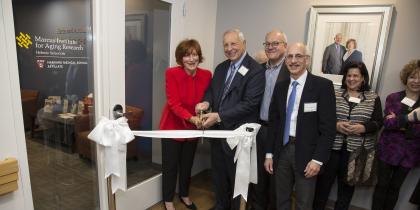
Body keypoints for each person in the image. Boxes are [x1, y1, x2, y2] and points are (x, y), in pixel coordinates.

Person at [195, 29, 265, 210]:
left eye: (233, 44)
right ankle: (220, 206)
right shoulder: (221, 68)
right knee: (218, 176)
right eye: (226, 44)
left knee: (237, 180)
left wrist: (219, 116)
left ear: (244, 44)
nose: (229, 48)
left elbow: (250, 104)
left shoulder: (255, 71)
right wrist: (205, 102)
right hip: (218, 134)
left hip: (238, 136)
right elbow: (212, 91)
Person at [264, 42, 336, 210]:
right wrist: (269, 154)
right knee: (281, 199)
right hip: (282, 151)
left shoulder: (322, 86)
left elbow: (328, 128)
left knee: (304, 202)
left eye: (298, 56)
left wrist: (318, 160)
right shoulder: (281, 87)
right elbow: (273, 123)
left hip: (308, 154)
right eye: (289, 56)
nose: (293, 61)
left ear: (307, 60)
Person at [313, 61, 383, 210]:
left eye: (356, 76)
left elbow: (378, 122)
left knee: (346, 190)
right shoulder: (334, 94)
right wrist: (336, 125)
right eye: (349, 75)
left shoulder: (373, 98)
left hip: (355, 153)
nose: (351, 79)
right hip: (331, 149)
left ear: (363, 78)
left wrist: (363, 128)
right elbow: (322, 117)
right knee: (322, 187)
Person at [159, 39, 212, 210]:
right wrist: (192, 119)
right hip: (172, 127)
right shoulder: (171, 73)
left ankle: (184, 194)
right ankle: (168, 200)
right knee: (170, 166)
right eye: (186, 55)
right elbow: (174, 104)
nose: (191, 59)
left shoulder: (206, 75)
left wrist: (205, 105)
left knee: (187, 164)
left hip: (193, 129)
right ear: (180, 58)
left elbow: (208, 98)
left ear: (199, 56)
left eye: (194, 54)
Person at [248, 30, 289, 210]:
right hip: (260, 128)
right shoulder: (260, 69)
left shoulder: (292, 69)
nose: (271, 47)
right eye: (268, 44)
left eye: (276, 43)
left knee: (276, 179)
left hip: (280, 132)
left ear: (285, 47)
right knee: (257, 175)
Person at [372, 59, 420, 210]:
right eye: (412, 76)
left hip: (411, 153)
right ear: (406, 77)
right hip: (388, 149)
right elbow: (388, 124)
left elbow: (397, 124)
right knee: (381, 185)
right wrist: (410, 119)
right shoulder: (393, 98)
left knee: (395, 188)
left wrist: (398, 120)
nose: (416, 81)